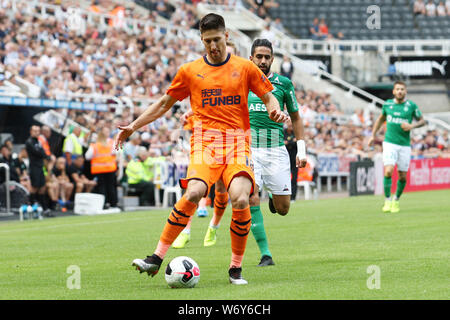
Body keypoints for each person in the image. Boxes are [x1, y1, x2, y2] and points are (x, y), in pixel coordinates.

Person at [115, 13, 287, 285]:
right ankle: (156, 259)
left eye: (217, 39)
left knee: (241, 199)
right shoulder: (189, 71)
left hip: (237, 144)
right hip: (205, 145)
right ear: (201, 40)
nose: (213, 46)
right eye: (207, 41)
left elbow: (268, 96)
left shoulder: (245, 68)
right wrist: (132, 127)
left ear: (226, 36)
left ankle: (235, 269)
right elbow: (163, 104)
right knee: (194, 191)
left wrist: (275, 111)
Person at [172, 39, 307, 268]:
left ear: (272, 59)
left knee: (283, 209)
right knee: (250, 197)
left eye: (267, 57)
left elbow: (295, 117)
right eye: (259, 57)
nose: (263, 61)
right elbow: (214, 103)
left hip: (276, 150)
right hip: (247, 149)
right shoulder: (240, 79)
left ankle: (274, 198)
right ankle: (265, 254)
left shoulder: (284, 84)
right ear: (251, 58)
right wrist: (191, 114)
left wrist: (301, 150)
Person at [368, 81, 426, 213]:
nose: (400, 91)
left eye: (402, 89)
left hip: (404, 145)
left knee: (402, 177)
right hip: (389, 143)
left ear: (405, 92)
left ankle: (396, 200)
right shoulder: (387, 104)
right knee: (388, 171)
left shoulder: (411, 106)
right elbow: (380, 120)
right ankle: (387, 200)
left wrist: (412, 126)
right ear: (393, 91)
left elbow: (423, 121)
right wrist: (373, 135)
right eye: (397, 89)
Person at [85, 127, 119, 209]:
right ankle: (113, 203)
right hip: (110, 168)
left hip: (99, 169)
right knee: (111, 186)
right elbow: (117, 153)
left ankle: (103, 204)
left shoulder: (95, 145)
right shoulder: (112, 143)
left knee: (101, 187)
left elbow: (87, 156)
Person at [25, 125, 51, 216]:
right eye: (35, 131)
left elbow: (42, 151)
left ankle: (45, 209)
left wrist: (46, 156)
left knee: (42, 187)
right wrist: (45, 156)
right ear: (31, 132)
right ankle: (30, 206)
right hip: (34, 167)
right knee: (34, 187)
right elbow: (37, 152)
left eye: (38, 131)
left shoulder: (38, 141)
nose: (37, 132)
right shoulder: (29, 142)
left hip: (40, 167)